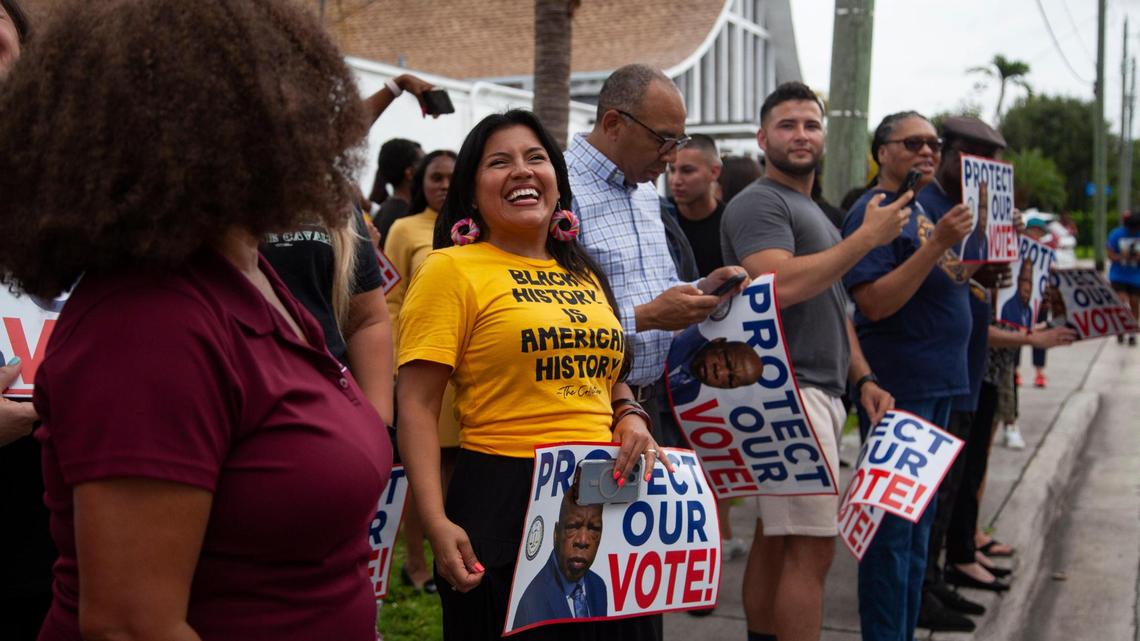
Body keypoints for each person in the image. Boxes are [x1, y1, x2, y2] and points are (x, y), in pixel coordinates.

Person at [0, 3, 393, 641]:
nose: (314, 123)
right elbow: (129, 626)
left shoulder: (254, 277)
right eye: (276, 97)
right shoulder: (150, 321)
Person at [396, 109, 670, 641]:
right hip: (503, 496)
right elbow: (416, 405)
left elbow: (608, 373)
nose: (522, 171)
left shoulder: (583, 272)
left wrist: (630, 414)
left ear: (557, 184)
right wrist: (434, 520)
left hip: (604, 491)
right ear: (474, 193)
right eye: (500, 162)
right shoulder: (450, 269)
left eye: (536, 158)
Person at [721, 81, 906, 641]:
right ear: (762, 137)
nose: (801, 134)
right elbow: (775, 284)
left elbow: (831, 303)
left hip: (814, 388)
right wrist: (867, 239)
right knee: (811, 549)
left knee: (781, 543)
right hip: (788, 388)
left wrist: (863, 375)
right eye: (787, 124)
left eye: (810, 124)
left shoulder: (809, 210)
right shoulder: (761, 201)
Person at [841, 111, 975, 641]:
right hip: (900, 388)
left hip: (942, 380)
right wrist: (937, 244)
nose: (927, 151)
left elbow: (945, 281)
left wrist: (979, 272)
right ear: (882, 152)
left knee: (920, 529)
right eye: (913, 142)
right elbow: (874, 303)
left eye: (934, 144)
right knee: (892, 533)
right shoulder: (872, 211)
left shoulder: (931, 205)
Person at [565, 63, 747, 451]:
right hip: (588, 411)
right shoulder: (559, 190)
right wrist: (646, 317)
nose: (670, 157)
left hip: (656, 406)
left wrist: (701, 289)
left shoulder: (645, 189)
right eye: (664, 140)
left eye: (680, 141)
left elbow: (659, 285)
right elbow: (553, 319)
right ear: (614, 124)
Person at [384, 148, 458, 594]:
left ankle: (453, 556)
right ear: (421, 182)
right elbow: (388, 303)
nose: (446, 184)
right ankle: (415, 564)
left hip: (465, 376)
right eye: (437, 176)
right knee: (420, 473)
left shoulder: (475, 228)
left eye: (454, 176)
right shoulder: (403, 229)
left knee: (457, 473)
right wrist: (395, 366)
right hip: (421, 370)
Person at [512, 481, 608, 628]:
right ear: (556, 534)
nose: (583, 541)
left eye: (593, 529)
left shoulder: (598, 586)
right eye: (573, 527)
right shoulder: (532, 601)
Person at [669, 134, 725, 276]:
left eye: (687, 171)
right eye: (672, 170)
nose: (676, 180)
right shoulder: (659, 217)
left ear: (714, 172)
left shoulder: (730, 221)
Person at [371, 138, 425, 241]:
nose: (429, 168)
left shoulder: (382, 211)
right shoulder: (405, 217)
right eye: (424, 163)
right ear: (410, 173)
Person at [1107, 209, 1140, 346]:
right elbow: (1110, 254)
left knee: (1134, 302)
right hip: (1119, 275)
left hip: (1136, 276)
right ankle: (1120, 327)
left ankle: (1132, 331)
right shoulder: (1116, 234)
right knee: (1122, 302)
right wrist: (1122, 257)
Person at [999, 259, 1034, 328]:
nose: (1028, 288)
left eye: (1030, 282)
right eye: (1025, 280)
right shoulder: (1007, 308)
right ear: (1018, 281)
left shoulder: (1029, 311)